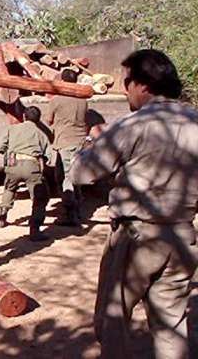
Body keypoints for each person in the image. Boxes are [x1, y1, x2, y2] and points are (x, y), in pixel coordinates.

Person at [69, 49, 198, 359]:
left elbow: (82, 174)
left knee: (112, 323)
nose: (125, 90)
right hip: (182, 235)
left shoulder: (133, 125)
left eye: (126, 83)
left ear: (144, 85)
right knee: (172, 326)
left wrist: (92, 142)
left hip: (136, 237)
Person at [0, 106, 53, 241]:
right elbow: (49, 155)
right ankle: (34, 230)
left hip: (13, 164)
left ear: (24, 117)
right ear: (38, 120)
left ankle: (2, 216)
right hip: (31, 166)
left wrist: (8, 153)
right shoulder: (40, 134)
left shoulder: (12, 129)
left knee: (9, 188)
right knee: (40, 198)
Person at [46, 69, 87, 226]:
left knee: (65, 178)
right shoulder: (83, 100)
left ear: (62, 81)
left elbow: (49, 120)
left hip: (65, 142)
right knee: (74, 176)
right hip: (80, 142)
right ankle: (77, 207)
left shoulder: (57, 100)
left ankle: (70, 214)